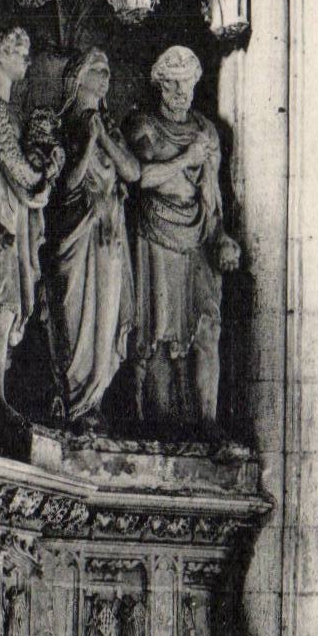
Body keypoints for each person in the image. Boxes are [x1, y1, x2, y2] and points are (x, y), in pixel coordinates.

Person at [126, 46, 240, 436]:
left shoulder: (206, 131)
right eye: (172, 84)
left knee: (207, 328)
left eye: (187, 83)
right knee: (160, 331)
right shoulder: (144, 124)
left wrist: (222, 236)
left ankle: (207, 420)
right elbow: (141, 177)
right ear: (160, 84)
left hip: (199, 235)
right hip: (157, 233)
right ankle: (160, 424)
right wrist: (185, 159)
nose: (180, 92)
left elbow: (213, 194)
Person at [0, 27, 62, 425]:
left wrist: (45, 172)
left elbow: (27, 176)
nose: (27, 60)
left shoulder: (11, 114)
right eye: (20, 52)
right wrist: (41, 177)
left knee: (10, 308)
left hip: (13, 219)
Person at [42, 47, 139, 431]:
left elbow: (132, 171)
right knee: (74, 313)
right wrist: (88, 143)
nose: (106, 78)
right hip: (74, 234)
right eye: (98, 70)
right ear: (78, 77)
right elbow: (64, 187)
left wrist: (104, 139)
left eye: (109, 72)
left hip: (108, 236)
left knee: (105, 318)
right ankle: (74, 400)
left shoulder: (109, 128)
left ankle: (94, 401)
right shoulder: (60, 125)